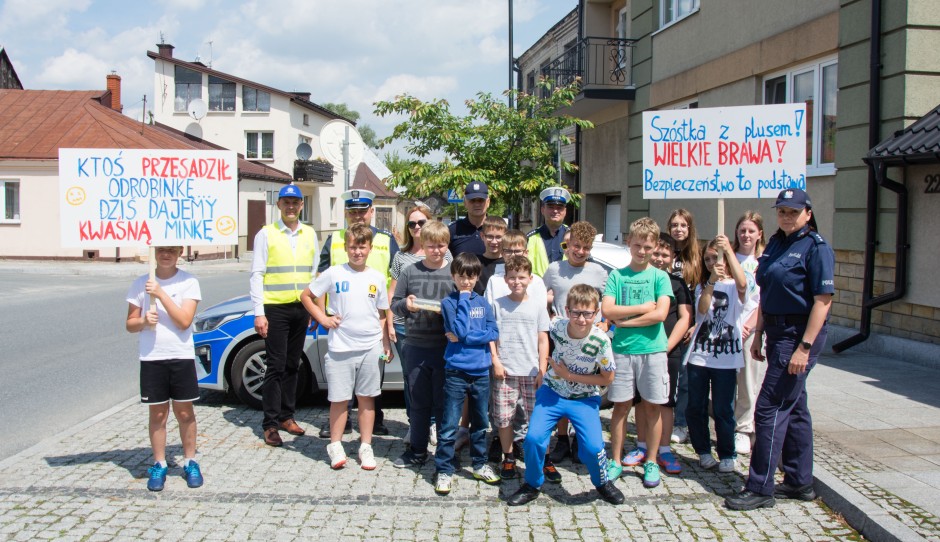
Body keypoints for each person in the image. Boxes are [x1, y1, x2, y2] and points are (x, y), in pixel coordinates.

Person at [726, 188, 834, 511]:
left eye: (793, 211)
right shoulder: (775, 243)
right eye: (782, 211)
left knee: (769, 407)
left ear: (807, 214)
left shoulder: (816, 248)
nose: (786, 216)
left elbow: (823, 301)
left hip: (797, 334)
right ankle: (800, 481)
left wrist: (805, 347)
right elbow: (767, 293)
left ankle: (760, 486)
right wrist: (758, 335)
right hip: (773, 329)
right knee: (795, 405)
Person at [507, 285, 624, 506]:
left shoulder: (601, 341)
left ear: (596, 312)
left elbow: (607, 379)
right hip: (553, 392)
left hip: (584, 398)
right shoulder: (557, 326)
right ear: (567, 311)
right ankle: (532, 483)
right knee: (533, 439)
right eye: (576, 313)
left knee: (593, 448)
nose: (581, 319)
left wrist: (568, 374)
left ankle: (602, 482)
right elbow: (536, 314)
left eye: (588, 313)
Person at [301, 224, 392, 471]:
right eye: (353, 247)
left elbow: (382, 312)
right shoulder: (333, 273)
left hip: (370, 347)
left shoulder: (376, 277)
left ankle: (365, 445)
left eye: (362, 247)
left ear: (370, 248)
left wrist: (384, 342)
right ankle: (336, 444)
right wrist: (323, 319)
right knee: (340, 400)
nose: (357, 252)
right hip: (341, 347)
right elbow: (306, 296)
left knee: (367, 399)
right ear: (345, 248)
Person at [317, 188, 399, 438]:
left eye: (362, 211)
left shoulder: (386, 239)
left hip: (375, 315)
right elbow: (321, 276)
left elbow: (395, 274)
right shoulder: (335, 239)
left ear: (371, 212)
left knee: (375, 372)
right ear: (346, 214)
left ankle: (376, 420)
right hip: (341, 318)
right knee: (341, 377)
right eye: (352, 212)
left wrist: (389, 318)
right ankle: (344, 421)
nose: (358, 216)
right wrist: (321, 315)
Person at [602, 217, 673, 488]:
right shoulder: (617, 276)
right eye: (637, 245)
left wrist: (627, 321)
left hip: (653, 350)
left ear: (655, 247)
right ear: (628, 243)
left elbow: (661, 314)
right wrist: (644, 307)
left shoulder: (660, 276)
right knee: (620, 407)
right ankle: (616, 460)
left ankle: (651, 460)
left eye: (648, 246)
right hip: (622, 350)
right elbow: (607, 310)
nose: (642, 251)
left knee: (653, 407)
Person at [125, 245, 203, 491]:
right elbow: (129, 324)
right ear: (154, 252)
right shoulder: (140, 284)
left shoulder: (189, 282)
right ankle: (159, 463)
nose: (166, 254)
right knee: (158, 414)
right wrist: (142, 321)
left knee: (184, 413)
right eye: (161, 250)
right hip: (152, 357)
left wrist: (160, 294)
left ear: (180, 252)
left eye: (171, 250)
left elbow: (184, 322)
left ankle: (190, 461)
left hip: (180, 356)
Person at [250, 183, 319, 447]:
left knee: (293, 364)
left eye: (295, 202)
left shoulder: (310, 233)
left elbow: (313, 275)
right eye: (286, 202)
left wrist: (313, 307)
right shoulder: (266, 234)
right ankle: (270, 423)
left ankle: (287, 416)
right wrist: (259, 313)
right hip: (275, 308)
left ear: (301, 205)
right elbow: (256, 273)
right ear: (278, 205)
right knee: (275, 367)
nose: (291, 206)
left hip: (300, 308)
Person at [623, 233, 693, 476]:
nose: (660, 258)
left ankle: (664, 449)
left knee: (664, 402)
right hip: (642, 348)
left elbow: (685, 317)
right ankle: (642, 446)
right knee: (642, 401)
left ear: (673, 257)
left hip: (667, 351)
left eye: (666, 254)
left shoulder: (676, 283)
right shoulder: (644, 280)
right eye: (657, 253)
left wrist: (667, 346)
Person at [686, 235, 756, 475]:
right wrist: (711, 282)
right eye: (707, 259)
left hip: (726, 358)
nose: (711, 262)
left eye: (716, 257)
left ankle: (727, 453)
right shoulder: (702, 286)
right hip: (700, 356)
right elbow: (703, 310)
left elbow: (745, 286)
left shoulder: (735, 287)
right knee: (696, 406)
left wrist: (729, 252)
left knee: (724, 408)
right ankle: (703, 450)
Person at [434, 253, 502, 495]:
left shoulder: (483, 302)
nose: (466, 282)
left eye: (470, 277)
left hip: (481, 371)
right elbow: (459, 329)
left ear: (477, 277)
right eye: (461, 277)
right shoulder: (449, 303)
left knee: (480, 423)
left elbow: (493, 331)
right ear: (453, 276)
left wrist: (469, 338)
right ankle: (444, 468)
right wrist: (463, 299)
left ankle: (479, 464)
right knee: (450, 423)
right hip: (456, 370)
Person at [542, 221, 610, 464]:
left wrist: (607, 322)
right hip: (561, 339)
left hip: (587, 340)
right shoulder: (553, 269)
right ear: (567, 245)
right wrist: (548, 317)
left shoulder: (599, 272)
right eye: (576, 246)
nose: (580, 251)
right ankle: (561, 438)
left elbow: (609, 301)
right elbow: (541, 297)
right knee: (560, 386)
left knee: (584, 388)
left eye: (586, 247)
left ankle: (581, 438)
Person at [391, 220, 455, 468]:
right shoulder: (410, 271)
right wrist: (406, 305)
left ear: (446, 245)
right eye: (431, 246)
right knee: (418, 402)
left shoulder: (453, 273)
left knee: (443, 403)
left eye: (440, 246)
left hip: (444, 348)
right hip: (416, 345)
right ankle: (417, 451)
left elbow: (462, 307)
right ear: (423, 245)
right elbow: (395, 304)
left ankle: (445, 453)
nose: (436, 250)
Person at [490, 255, 551, 481]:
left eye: (522, 277)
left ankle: (542, 457)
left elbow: (543, 339)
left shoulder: (537, 305)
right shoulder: (498, 304)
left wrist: (542, 368)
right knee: (504, 418)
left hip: (531, 371)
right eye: (512, 277)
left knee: (536, 418)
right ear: (505, 279)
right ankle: (508, 457)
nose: (517, 281)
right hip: (505, 371)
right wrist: (495, 360)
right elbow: (491, 337)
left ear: (530, 279)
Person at [732, 211, 767, 455]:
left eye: (751, 231)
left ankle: (744, 429)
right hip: (727, 326)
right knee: (725, 382)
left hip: (750, 328)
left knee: (747, 381)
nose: (746, 235)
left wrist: (751, 325)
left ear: (759, 234)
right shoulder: (729, 258)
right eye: (742, 230)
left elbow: (764, 298)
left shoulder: (764, 261)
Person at [667, 208, 701, 445]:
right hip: (666, 321)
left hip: (689, 325)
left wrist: (695, 324)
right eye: (675, 225)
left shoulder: (697, 259)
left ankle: (680, 423)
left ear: (690, 229)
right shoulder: (663, 254)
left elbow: (702, 295)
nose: (679, 229)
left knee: (685, 379)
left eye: (683, 225)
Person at [527, 186, 571, 277]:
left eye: (559, 207)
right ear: (543, 210)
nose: (555, 211)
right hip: (539, 288)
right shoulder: (531, 238)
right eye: (551, 207)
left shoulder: (574, 236)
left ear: (565, 211)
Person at [448, 181, 490, 256]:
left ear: (488, 202)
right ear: (465, 203)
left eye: (481, 200)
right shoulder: (452, 230)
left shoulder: (497, 229)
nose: (477, 204)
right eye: (472, 200)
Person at [476, 216, 508, 295]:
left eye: (498, 237)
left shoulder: (509, 263)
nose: (494, 241)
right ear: (482, 236)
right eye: (490, 236)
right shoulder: (474, 263)